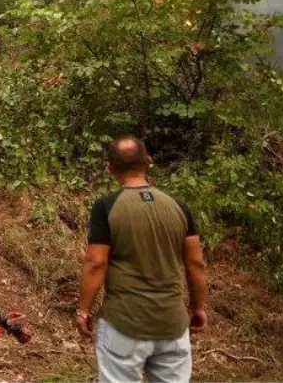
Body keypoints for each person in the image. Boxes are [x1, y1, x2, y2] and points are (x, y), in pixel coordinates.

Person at [77, 136, 209, 383]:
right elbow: (196, 264)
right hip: (172, 324)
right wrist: (198, 307)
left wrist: (83, 311)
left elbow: (96, 263)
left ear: (110, 168)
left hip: (124, 324)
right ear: (149, 162)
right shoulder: (178, 207)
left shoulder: (106, 208)